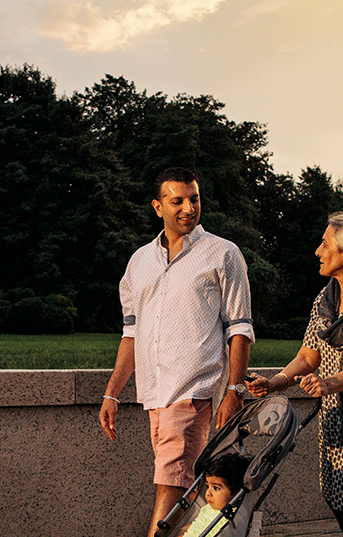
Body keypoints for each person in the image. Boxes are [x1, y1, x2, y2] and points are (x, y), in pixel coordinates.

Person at [100, 167, 255, 537]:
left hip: (194, 390)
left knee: (170, 482)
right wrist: (112, 392)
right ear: (158, 207)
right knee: (186, 484)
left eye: (195, 198)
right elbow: (131, 333)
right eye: (177, 201)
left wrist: (234, 391)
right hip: (154, 394)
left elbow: (240, 328)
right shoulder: (139, 262)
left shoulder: (223, 254)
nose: (188, 207)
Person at [246, 211, 343, 535]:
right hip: (336, 423)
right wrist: (274, 384)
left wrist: (333, 382)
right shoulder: (327, 298)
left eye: (324, 243)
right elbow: (307, 355)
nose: (317, 250)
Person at [181, 453, 251, 537]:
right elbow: (196, 524)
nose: (208, 493)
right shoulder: (209, 507)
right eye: (207, 486)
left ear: (237, 494)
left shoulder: (231, 521)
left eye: (216, 488)